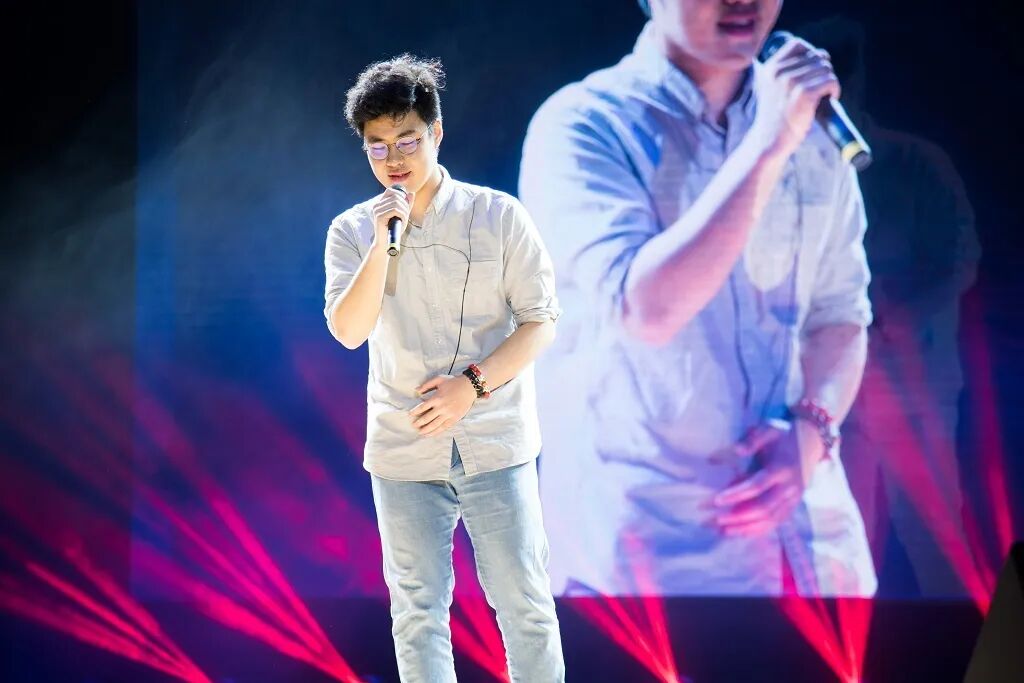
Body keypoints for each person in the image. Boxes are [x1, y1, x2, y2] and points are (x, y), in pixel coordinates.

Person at [519, 0, 876, 596]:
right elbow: (645, 311)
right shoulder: (584, 124)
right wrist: (769, 142)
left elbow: (841, 315)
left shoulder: (808, 125)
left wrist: (812, 432)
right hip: (649, 564)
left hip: (813, 556)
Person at [325, 55, 565, 681]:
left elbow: (541, 320)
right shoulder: (353, 231)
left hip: (495, 439)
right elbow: (348, 331)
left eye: (406, 139)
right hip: (404, 449)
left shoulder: (499, 216)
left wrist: (472, 386)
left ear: (436, 132)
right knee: (417, 612)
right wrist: (385, 241)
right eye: (377, 145)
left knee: (524, 605)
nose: (393, 158)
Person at [799, 16, 982, 597]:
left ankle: (958, 642)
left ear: (856, 79)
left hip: (911, 385)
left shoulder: (914, 163)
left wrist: (892, 316)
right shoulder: (788, 174)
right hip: (832, 395)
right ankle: (856, 646)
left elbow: (960, 259)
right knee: (842, 544)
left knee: (934, 533)